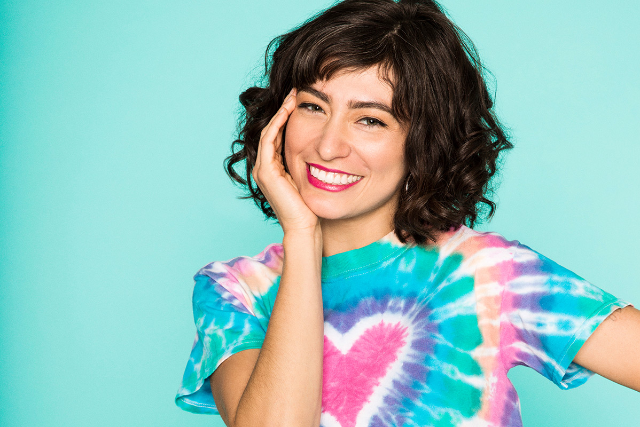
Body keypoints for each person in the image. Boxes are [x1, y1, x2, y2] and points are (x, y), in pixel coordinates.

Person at [175, 0, 640, 426]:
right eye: (314, 107)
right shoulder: (237, 290)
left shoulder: (487, 274)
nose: (328, 146)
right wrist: (301, 235)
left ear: (423, 143)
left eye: (370, 119)